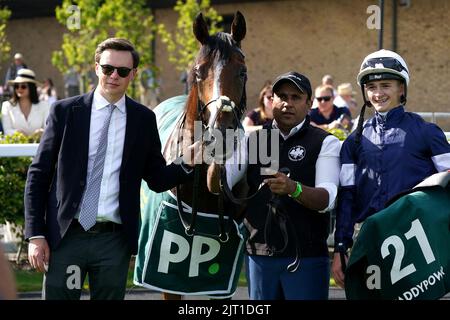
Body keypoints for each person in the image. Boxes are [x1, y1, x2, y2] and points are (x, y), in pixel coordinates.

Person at [24, 38, 198, 300]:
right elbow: (37, 177)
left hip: (113, 242)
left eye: (123, 71)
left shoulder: (143, 119)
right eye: (107, 68)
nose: (114, 76)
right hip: (65, 237)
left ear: (133, 75)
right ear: (96, 68)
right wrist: (36, 234)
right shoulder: (64, 112)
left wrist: (187, 162)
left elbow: (157, 179)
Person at [332, 49, 450, 288]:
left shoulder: (427, 133)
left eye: (386, 85)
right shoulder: (353, 143)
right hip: (369, 243)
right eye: (372, 87)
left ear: (402, 89)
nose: (378, 93)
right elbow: (347, 197)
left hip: (418, 243)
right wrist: (341, 247)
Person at [243, 71, 341, 300]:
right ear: (272, 101)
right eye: (282, 96)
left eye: (296, 97)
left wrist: (293, 188)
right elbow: (221, 184)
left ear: (309, 103)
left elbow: (327, 199)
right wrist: (205, 157)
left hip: (306, 257)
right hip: (259, 256)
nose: (287, 103)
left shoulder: (325, 142)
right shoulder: (252, 139)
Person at [1, 68, 50, 137]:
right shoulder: (6, 105)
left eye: (23, 86)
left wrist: (41, 132)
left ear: (31, 87)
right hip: (15, 146)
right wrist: (17, 133)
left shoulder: (44, 105)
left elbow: (48, 129)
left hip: (39, 146)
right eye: (17, 86)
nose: (19, 89)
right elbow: (7, 131)